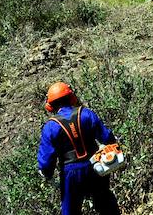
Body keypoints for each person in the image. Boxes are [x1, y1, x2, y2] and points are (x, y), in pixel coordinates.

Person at [37, 81, 121, 215]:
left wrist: (46, 172)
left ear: (50, 105)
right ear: (71, 97)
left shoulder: (50, 127)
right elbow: (107, 137)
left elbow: (46, 160)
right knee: (106, 204)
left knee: (70, 211)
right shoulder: (86, 114)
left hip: (70, 174)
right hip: (95, 166)